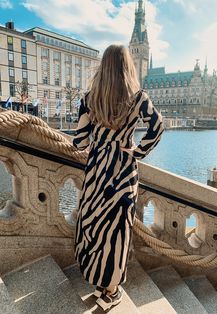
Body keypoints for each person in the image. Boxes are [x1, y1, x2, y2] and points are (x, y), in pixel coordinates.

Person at [73, 44, 164, 311]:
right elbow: (157, 128)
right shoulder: (138, 98)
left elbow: (79, 142)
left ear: (103, 66)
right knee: (116, 232)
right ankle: (111, 290)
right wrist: (137, 151)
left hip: (97, 172)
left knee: (94, 226)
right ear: (128, 66)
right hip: (123, 173)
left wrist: (98, 142)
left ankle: (100, 284)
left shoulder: (90, 98)